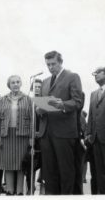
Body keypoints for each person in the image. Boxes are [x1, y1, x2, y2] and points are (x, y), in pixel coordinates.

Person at [37, 51, 83, 194]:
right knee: (49, 172)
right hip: (46, 132)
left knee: (66, 170)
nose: (51, 67)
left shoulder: (72, 77)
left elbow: (77, 102)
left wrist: (62, 105)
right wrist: (39, 109)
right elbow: (41, 105)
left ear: (61, 62)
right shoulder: (44, 82)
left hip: (64, 132)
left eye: (53, 64)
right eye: (48, 64)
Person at [0, 75, 33, 195]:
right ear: (9, 85)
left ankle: (20, 192)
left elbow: (32, 119)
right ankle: (10, 192)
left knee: (21, 165)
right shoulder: (3, 99)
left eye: (17, 82)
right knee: (8, 164)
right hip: (6, 135)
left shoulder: (28, 99)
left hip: (23, 135)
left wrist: (31, 137)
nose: (15, 84)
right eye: (12, 82)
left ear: (21, 83)